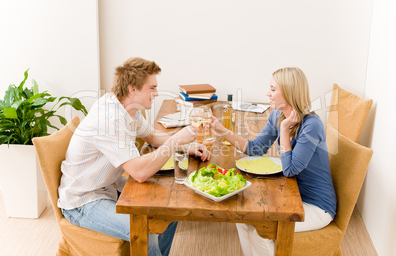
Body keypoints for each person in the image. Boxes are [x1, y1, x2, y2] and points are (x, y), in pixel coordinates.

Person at [58, 57, 210, 256]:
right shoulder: (109, 120)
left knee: (170, 212)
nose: (156, 93)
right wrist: (174, 142)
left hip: (108, 188)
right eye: (152, 88)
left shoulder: (128, 108)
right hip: (83, 202)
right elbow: (139, 172)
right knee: (146, 232)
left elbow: (152, 136)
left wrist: (188, 145)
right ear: (132, 89)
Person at [210, 67, 337, 255]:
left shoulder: (311, 126)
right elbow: (255, 148)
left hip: (316, 206)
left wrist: (284, 130)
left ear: (289, 92)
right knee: (242, 220)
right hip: (293, 196)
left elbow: (290, 170)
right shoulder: (277, 116)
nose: (267, 94)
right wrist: (223, 131)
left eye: (273, 89)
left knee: (260, 233)